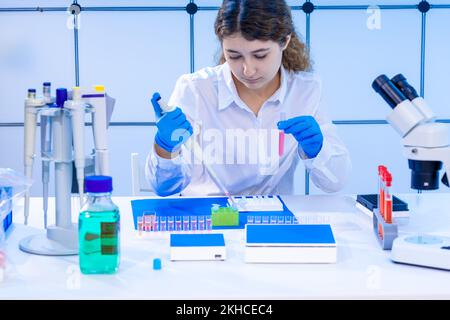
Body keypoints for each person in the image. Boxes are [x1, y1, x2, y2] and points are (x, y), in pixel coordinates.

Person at [146, 0, 351, 196]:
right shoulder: (196, 89)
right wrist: (165, 148)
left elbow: (334, 182)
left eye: (260, 55)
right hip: (207, 218)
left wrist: (318, 150)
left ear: (285, 41)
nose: (248, 70)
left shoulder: (306, 91)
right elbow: (164, 188)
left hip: (272, 222)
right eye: (234, 56)